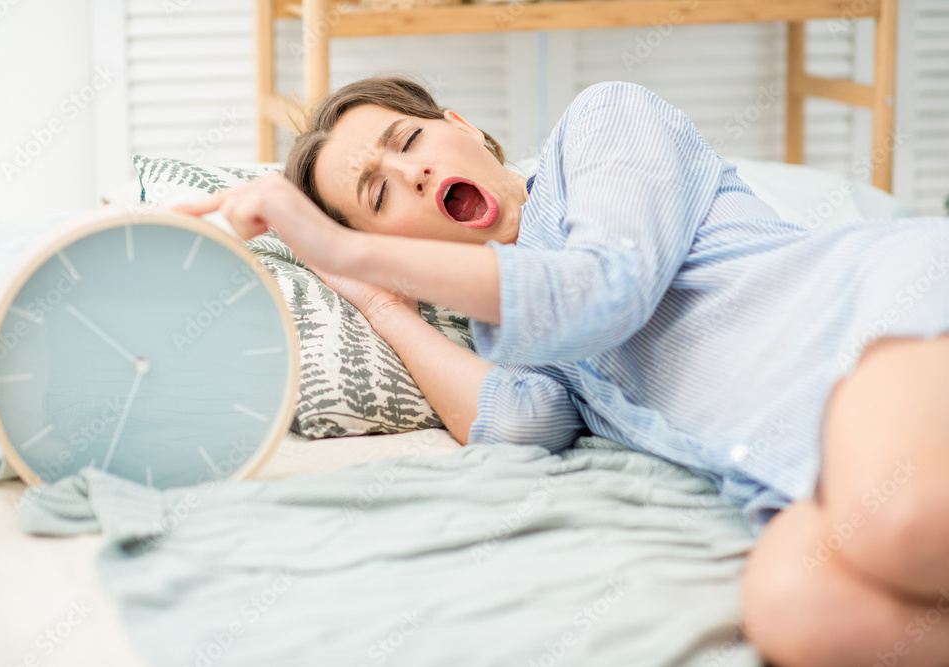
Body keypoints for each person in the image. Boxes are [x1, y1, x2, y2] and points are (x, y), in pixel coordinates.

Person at [175, 76, 949, 667]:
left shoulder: (604, 123)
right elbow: (519, 422)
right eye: (377, 194)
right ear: (401, 251)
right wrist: (383, 303)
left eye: (409, 143)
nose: (407, 173)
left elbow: (602, 288)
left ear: (462, 128)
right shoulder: (517, 336)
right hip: (793, 465)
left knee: (899, 517)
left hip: (883, 328)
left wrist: (343, 245)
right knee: (798, 607)